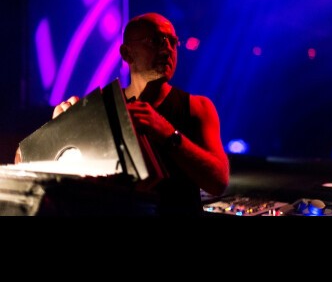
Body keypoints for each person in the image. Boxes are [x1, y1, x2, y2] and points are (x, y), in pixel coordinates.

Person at [16, 12, 230, 216]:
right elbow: (21, 161)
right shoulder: (103, 107)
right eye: (155, 40)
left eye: (172, 41)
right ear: (127, 53)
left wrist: (167, 133)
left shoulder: (197, 107)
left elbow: (219, 182)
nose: (167, 49)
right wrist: (59, 131)